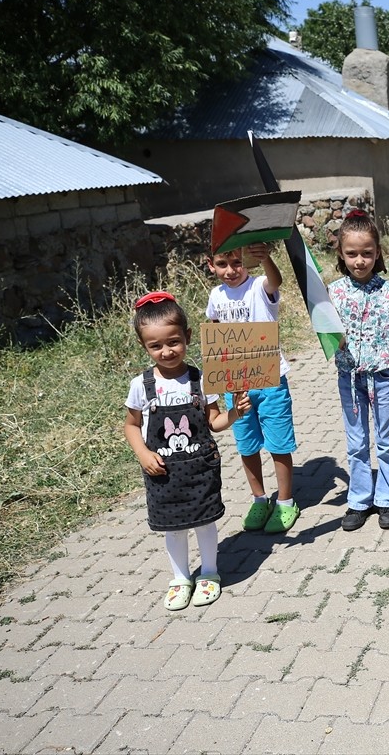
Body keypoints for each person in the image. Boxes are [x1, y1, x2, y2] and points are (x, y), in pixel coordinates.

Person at [124, 291, 251, 611]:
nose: (166, 351)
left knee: (205, 521)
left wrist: (236, 413)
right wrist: (142, 453)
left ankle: (209, 572)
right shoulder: (141, 385)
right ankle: (180, 577)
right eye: (156, 345)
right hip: (163, 472)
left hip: (199, 468)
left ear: (188, 337)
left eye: (174, 342)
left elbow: (214, 422)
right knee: (173, 527)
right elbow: (130, 425)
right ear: (144, 346)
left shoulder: (201, 378)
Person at [205, 243, 299, 534]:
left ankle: (285, 502)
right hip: (236, 385)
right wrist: (217, 381)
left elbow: (276, 282)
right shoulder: (215, 295)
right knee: (246, 444)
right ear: (211, 265)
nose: (230, 271)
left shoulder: (259, 285)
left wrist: (266, 258)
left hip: (270, 378)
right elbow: (216, 333)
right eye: (222, 264)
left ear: (246, 261)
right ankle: (259, 499)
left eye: (236, 262)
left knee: (278, 444)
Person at [328, 210, 389, 532]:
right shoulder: (333, 293)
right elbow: (326, 336)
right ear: (341, 255)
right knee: (357, 441)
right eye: (352, 254)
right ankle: (359, 499)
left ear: (378, 252)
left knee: (386, 440)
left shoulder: (388, 291)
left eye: (367, 253)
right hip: (350, 380)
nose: (360, 260)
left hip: (384, 377)